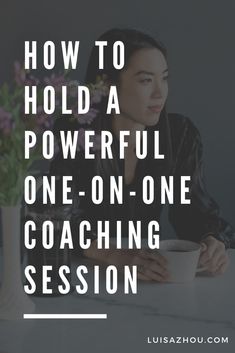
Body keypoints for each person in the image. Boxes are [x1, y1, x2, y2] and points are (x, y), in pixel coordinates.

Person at [51, 28, 235, 282]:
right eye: (146, 80)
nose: (160, 93)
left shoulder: (180, 135)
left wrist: (212, 241)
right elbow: (55, 218)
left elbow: (194, 213)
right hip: (82, 276)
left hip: (149, 276)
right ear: (108, 85)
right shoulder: (74, 132)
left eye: (165, 78)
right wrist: (110, 254)